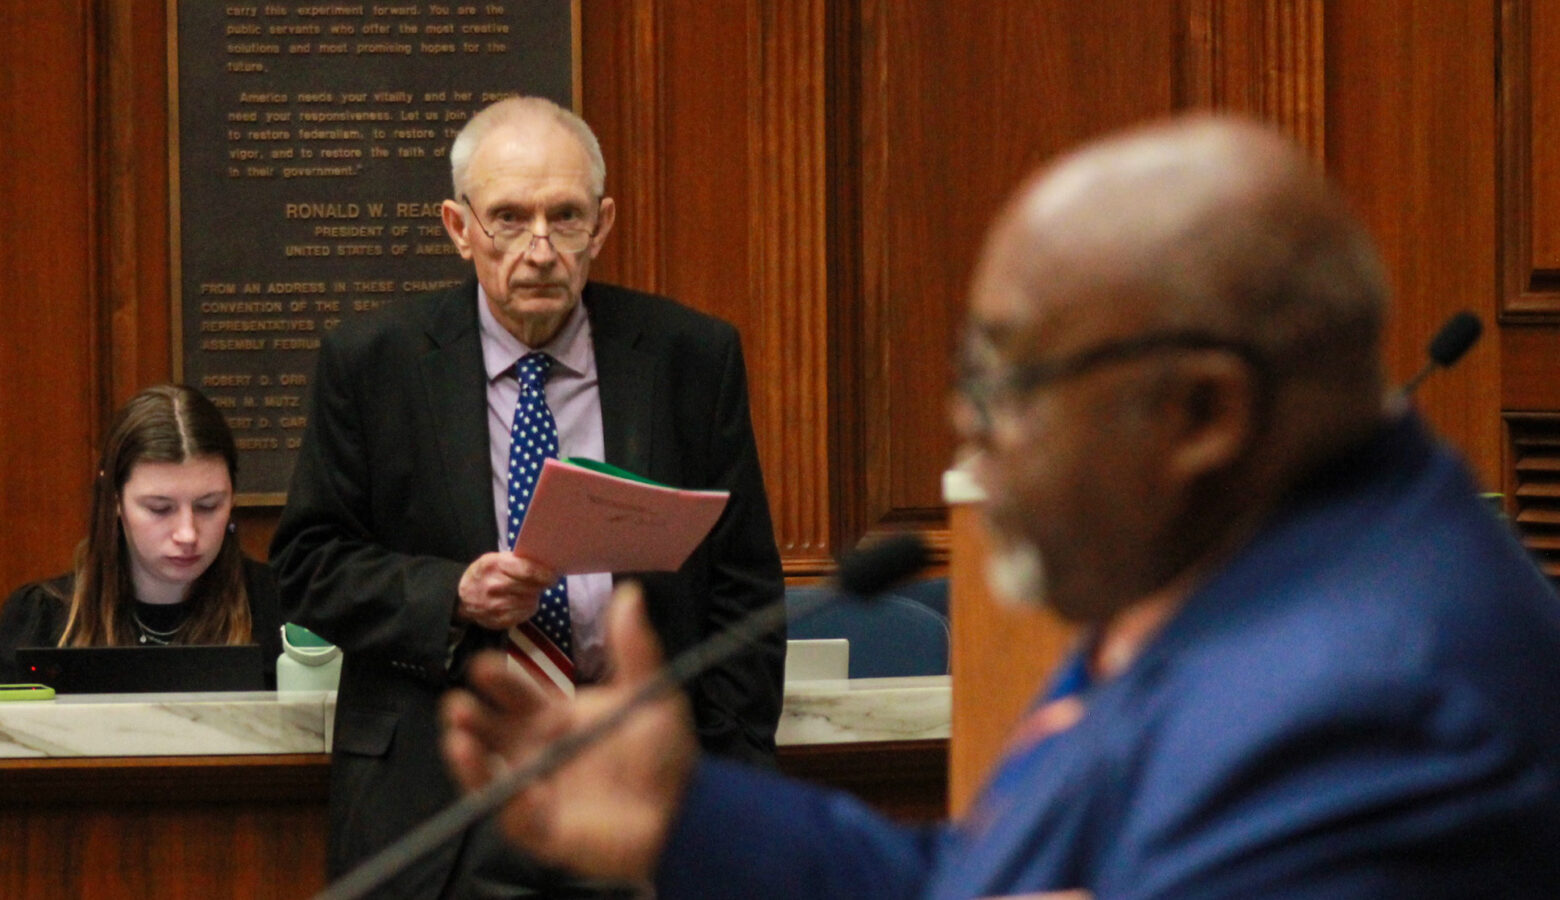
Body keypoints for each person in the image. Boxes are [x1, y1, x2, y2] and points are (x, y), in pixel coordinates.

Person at [439, 115, 1560, 898]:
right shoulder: (1221, 571)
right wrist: (688, 818)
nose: (971, 439)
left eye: (1008, 384)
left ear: (1203, 412)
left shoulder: (1374, 702)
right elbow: (992, 878)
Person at [269, 95, 784, 898]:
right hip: (437, 809)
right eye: (509, 218)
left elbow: (745, 588)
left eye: (566, 217)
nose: (540, 249)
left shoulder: (691, 357)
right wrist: (452, 593)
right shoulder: (375, 363)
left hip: (631, 794)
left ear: (602, 224)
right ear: (458, 226)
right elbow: (306, 565)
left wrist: (721, 790)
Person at [0, 384, 281, 685]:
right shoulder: (41, 619)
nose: (187, 534)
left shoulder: (280, 608)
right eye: (160, 509)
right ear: (115, 499)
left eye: (208, 506)